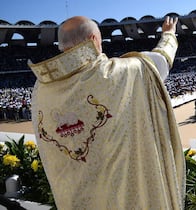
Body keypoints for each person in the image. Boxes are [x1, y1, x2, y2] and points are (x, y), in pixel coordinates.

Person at [29, 16, 185, 209]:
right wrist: (169, 34)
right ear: (94, 40)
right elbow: (160, 61)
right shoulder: (119, 73)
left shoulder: (42, 90)